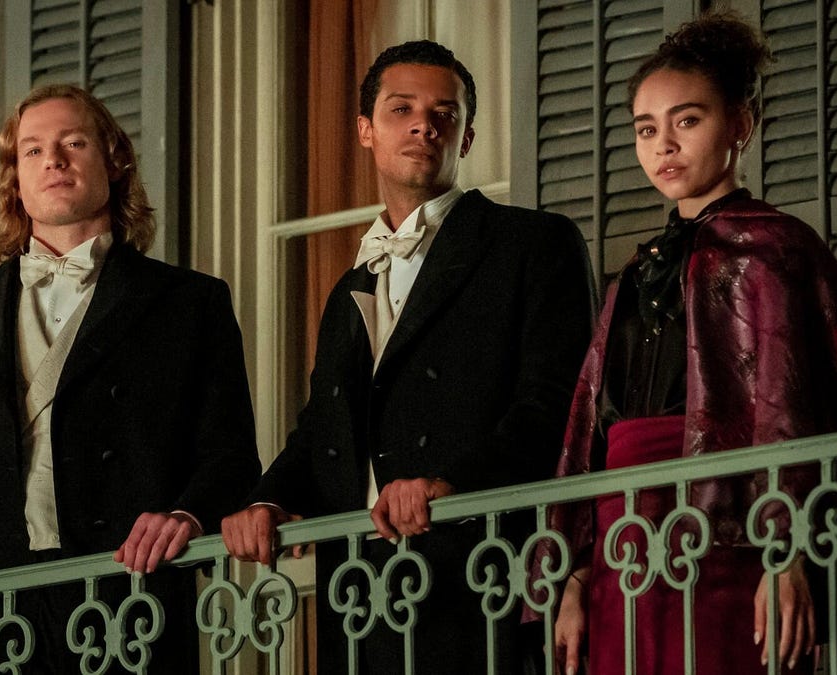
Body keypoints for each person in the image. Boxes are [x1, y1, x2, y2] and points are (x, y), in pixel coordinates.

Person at [536, 11, 837, 675]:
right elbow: (589, 431)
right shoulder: (632, 277)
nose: (663, 145)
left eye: (687, 120)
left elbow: (791, 415)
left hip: (732, 543)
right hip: (624, 549)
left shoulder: (778, 250)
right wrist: (575, 578)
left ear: (741, 126)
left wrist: (787, 556)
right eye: (646, 129)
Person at [0, 84, 261, 672]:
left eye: (73, 142)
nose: (52, 159)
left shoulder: (189, 303)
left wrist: (185, 515)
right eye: (31, 150)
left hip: (127, 593)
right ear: (15, 179)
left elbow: (230, 458)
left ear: (113, 160)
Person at [221, 40, 594, 674]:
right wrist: (268, 501)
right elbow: (323, 433)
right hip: (359, 596)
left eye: (445, 114)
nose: (426, 124)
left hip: (484, 572)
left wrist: (450, 485)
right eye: (402, 109)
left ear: (467, 138)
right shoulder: (349, 289)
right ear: (365, 129)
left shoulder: (531, 244)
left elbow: (555, 405)